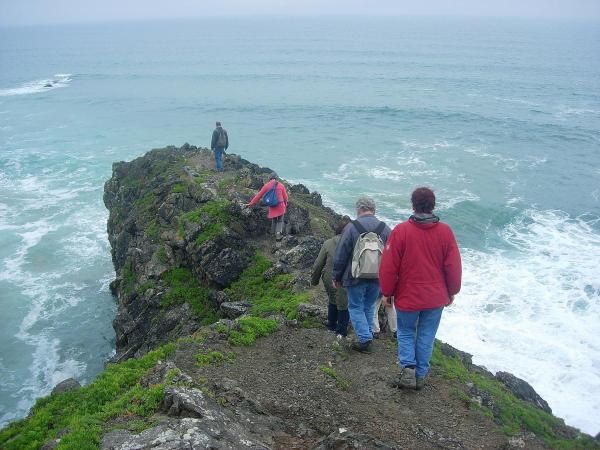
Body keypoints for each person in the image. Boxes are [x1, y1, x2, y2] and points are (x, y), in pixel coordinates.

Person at [379, 187, 462, 391]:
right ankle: (421, 374)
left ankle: (408, 369)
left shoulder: (401, 231)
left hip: (408, 295)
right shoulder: (445, 231)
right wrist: (452, 291)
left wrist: (387, 292)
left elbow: (389, 266)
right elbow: (453, 265)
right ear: (433, 205)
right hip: (435, 297)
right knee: (426, 333)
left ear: (413, 205)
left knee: (406, 332)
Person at [332, 197, 391, 353]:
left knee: (355, 307)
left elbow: (341, 254)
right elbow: (391, 257)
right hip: (377, 276)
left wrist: (336, 277)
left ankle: (365, 339)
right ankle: (368, 334)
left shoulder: (352, 227)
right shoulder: (385, 229)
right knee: (369, 306)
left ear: (359, 209)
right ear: (374, 209)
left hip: (355, 276)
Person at [311, 216, 352, 337]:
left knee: (333, 299)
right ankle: (341, 330)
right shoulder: (355, 243)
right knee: (345, 303)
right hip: (348, 278)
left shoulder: (328, 243)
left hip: (329, 277)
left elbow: (318, 264)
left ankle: (331, 325)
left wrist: (314, 280)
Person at [245, 172, 288, 237]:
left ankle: (272, 234)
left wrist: (251, 203)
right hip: (281, 206)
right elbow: (286, 197)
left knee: (274, 219)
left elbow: (259, 195)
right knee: (280, 221)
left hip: (273, 206)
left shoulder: (267, 185)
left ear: (270, 178)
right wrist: (285, 204)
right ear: (277, 178)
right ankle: (278, 234)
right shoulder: (281, 185)